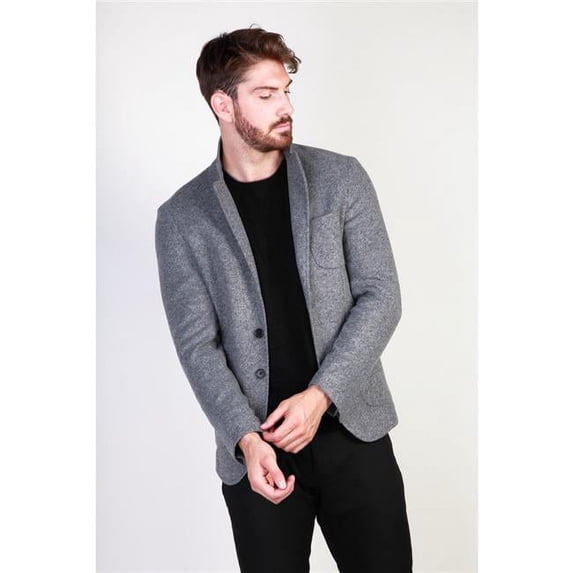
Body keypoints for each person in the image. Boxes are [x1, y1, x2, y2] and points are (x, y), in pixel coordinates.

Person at [155, 26, 413, 573]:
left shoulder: (341, 178)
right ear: (223, 105)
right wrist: (247, 440)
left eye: (287, 91)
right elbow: (197, 347)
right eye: (266, 95)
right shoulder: (182, 219)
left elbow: (381, 295)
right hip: (258, 452)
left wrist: (319, 396)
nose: (286, 107)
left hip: (353, 432)